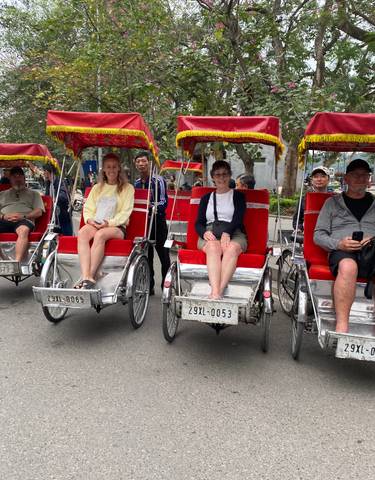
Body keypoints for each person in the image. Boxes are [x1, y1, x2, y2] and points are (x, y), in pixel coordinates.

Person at [314, 159, 375, 333]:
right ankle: (342, 326)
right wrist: (339, 244)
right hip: (342, 252)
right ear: (346, 179)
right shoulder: (332, 203)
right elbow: (318, 235)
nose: (361, 178)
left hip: (371, 250)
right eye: (356, 175)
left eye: (365, 175)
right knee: (348, 266)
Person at [75, 153, 134, 289]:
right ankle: (86, 276)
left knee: (100, 235)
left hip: (117, 227)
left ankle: (91, 275)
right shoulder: (97, 188)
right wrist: (89, 220)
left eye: (114, 167)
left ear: (119, 169)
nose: (111, 170)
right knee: (83, 232)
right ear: (104, 170)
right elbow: (88, 208)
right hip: (97, 223)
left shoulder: (127, 188)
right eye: (108, 167)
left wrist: (109, 223)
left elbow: (125, 212)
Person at [195, 160, 247, 300]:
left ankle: (217, 292)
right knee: (213, 247)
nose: (221, 178)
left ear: (230, 175)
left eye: (224, 174)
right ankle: (216, 293)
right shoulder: (206, 198)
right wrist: (204, 232)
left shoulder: (238, 196)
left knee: (231, 249)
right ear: (213, 177)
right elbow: (199, 223)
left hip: (234, 231)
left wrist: (227, 232)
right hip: (210, 232)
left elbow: (238, 218)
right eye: (218, 175)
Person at [134, 151, 170, 295]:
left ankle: (165, 287)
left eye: (143, 161)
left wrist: (150, 206)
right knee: (146, 256)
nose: (141, 164)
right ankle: (149, 286)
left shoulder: (158, 180)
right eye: (138, 162)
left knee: (164, 256)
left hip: (158, 222)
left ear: (149, 163)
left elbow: (163, 202)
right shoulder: (136, 183)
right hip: (144, 223)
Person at [0, 166, 45, 262]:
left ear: (24, 178)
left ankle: (16, 263)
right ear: (10, 179)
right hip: (4, 219)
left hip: (25, 220)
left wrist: (23, 216)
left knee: (23, 230)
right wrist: (3, 216)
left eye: (20, 176)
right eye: (14, 177)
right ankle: (3, 259)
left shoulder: (34, 194)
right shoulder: (2, 194)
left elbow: (39, 211)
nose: (17, 179)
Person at [293, 166, 330, 231]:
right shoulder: (304, 199)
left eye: (323, 176)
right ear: (312, 180)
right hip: (308, 233)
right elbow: (296, 220)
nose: (319, 179)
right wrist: (300, 227)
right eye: (316, 177)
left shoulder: (334, 199)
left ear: (328, 180)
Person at [43, 164, 73, 236]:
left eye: (44, 172)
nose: (43, 174)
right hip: (53, 216)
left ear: (47, 172)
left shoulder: (60, 182)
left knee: (66, 236)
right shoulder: (48, 183)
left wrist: (53, 198)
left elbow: (64, 196)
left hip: (63, 214)